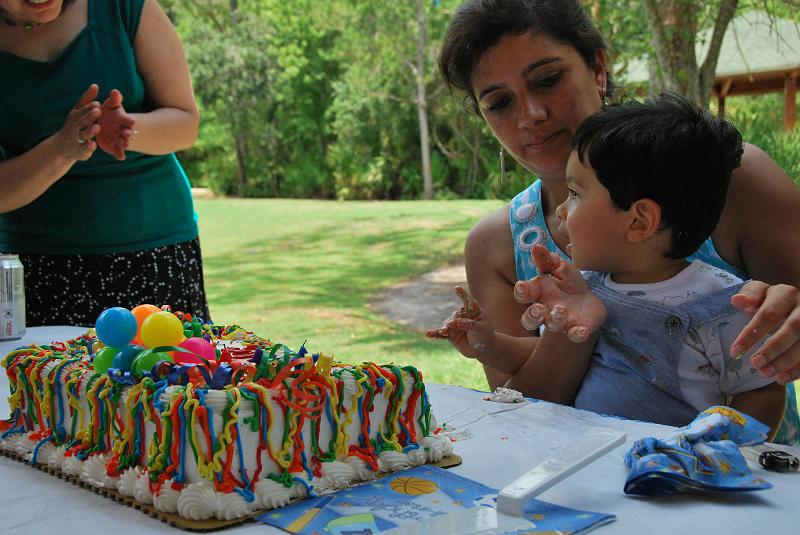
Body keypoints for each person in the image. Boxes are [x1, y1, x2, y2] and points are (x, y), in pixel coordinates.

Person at [430, 0, 800, 444]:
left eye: (548, 80)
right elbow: (524, 416)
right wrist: (574, 327)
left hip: (744, 492)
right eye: (499, 102)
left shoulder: (730, 179)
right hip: (592, 493)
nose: (530, 115)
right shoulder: (496, 246)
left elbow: (771, 366)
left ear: (598, 69)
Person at [0, 0, 209, 326]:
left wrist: (126, 131)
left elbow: (185, 123)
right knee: (54, 377)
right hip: (36, 266)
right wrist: (63, 148)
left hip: (156, 252)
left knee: (166, 373)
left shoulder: (122, 6)